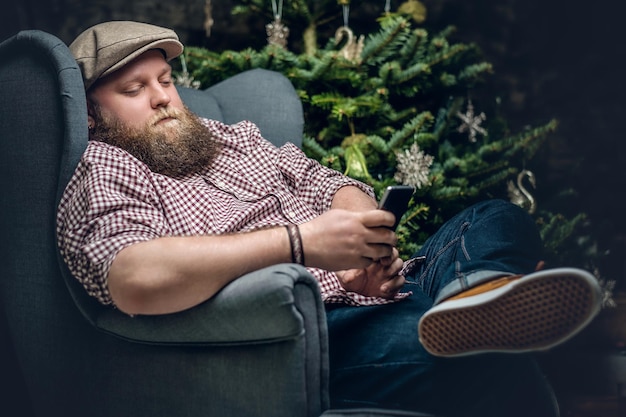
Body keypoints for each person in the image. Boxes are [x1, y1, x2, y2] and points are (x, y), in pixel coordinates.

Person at [57, 21, 602, 416]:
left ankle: (471, 295)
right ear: (89, 111)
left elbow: (336, 184)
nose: (162, 100)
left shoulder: (231, 139)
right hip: (310, 327)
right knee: (500, 372)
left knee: (494, 216)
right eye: (133, 89)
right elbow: (133, 277)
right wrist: (300, 243)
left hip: (378, 289)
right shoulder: (107, 163)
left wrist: (367, 247)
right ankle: (470, 312)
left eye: (166, 80)